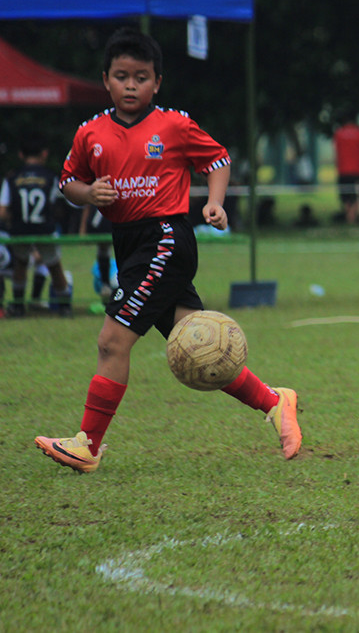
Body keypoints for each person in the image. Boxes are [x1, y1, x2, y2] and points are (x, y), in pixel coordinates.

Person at [33, 27, 301, 473]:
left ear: (157, 82)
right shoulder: (90, 133)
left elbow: (217, 159)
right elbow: (68, 181)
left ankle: (87, 445)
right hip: (130, 244)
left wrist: (214, 202)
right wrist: (88, 193)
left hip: (166, 239)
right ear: (106, 80)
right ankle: (276, 402)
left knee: (111, 340)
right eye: (122, 76)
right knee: (198, 344)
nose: (131, 84)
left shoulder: (173, 125)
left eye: (141, 76)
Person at [0, 131, 73, 317]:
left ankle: (18, 306)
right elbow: (59, 203)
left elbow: (2, 211)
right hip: (45, 229)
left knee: (20, 264)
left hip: (20, 230)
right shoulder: (50, 177)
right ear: (44, 154)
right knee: (55, 266)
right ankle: (64, 306)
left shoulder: (11, 178)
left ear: (21, 155)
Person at [333, 114, 359, 226]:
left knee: (345, 197)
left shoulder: (338, 134)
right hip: (357, 171)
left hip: (343, 171)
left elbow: (336, 153)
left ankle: (350, 216)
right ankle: (352, 215)